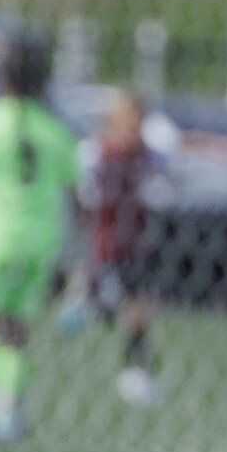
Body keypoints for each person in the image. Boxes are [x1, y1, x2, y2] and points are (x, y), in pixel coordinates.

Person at [0, 34, 80, 441]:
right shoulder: (54, 129)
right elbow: (76, 192)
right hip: (39, 241)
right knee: (16, 330)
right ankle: (9, 415)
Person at [83, 89, 162, 404]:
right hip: (105, 243)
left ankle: (136, 366)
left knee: (138, 306)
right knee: (99, 305)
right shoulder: (101, 153)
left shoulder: (144, 155)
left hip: (134, 242)